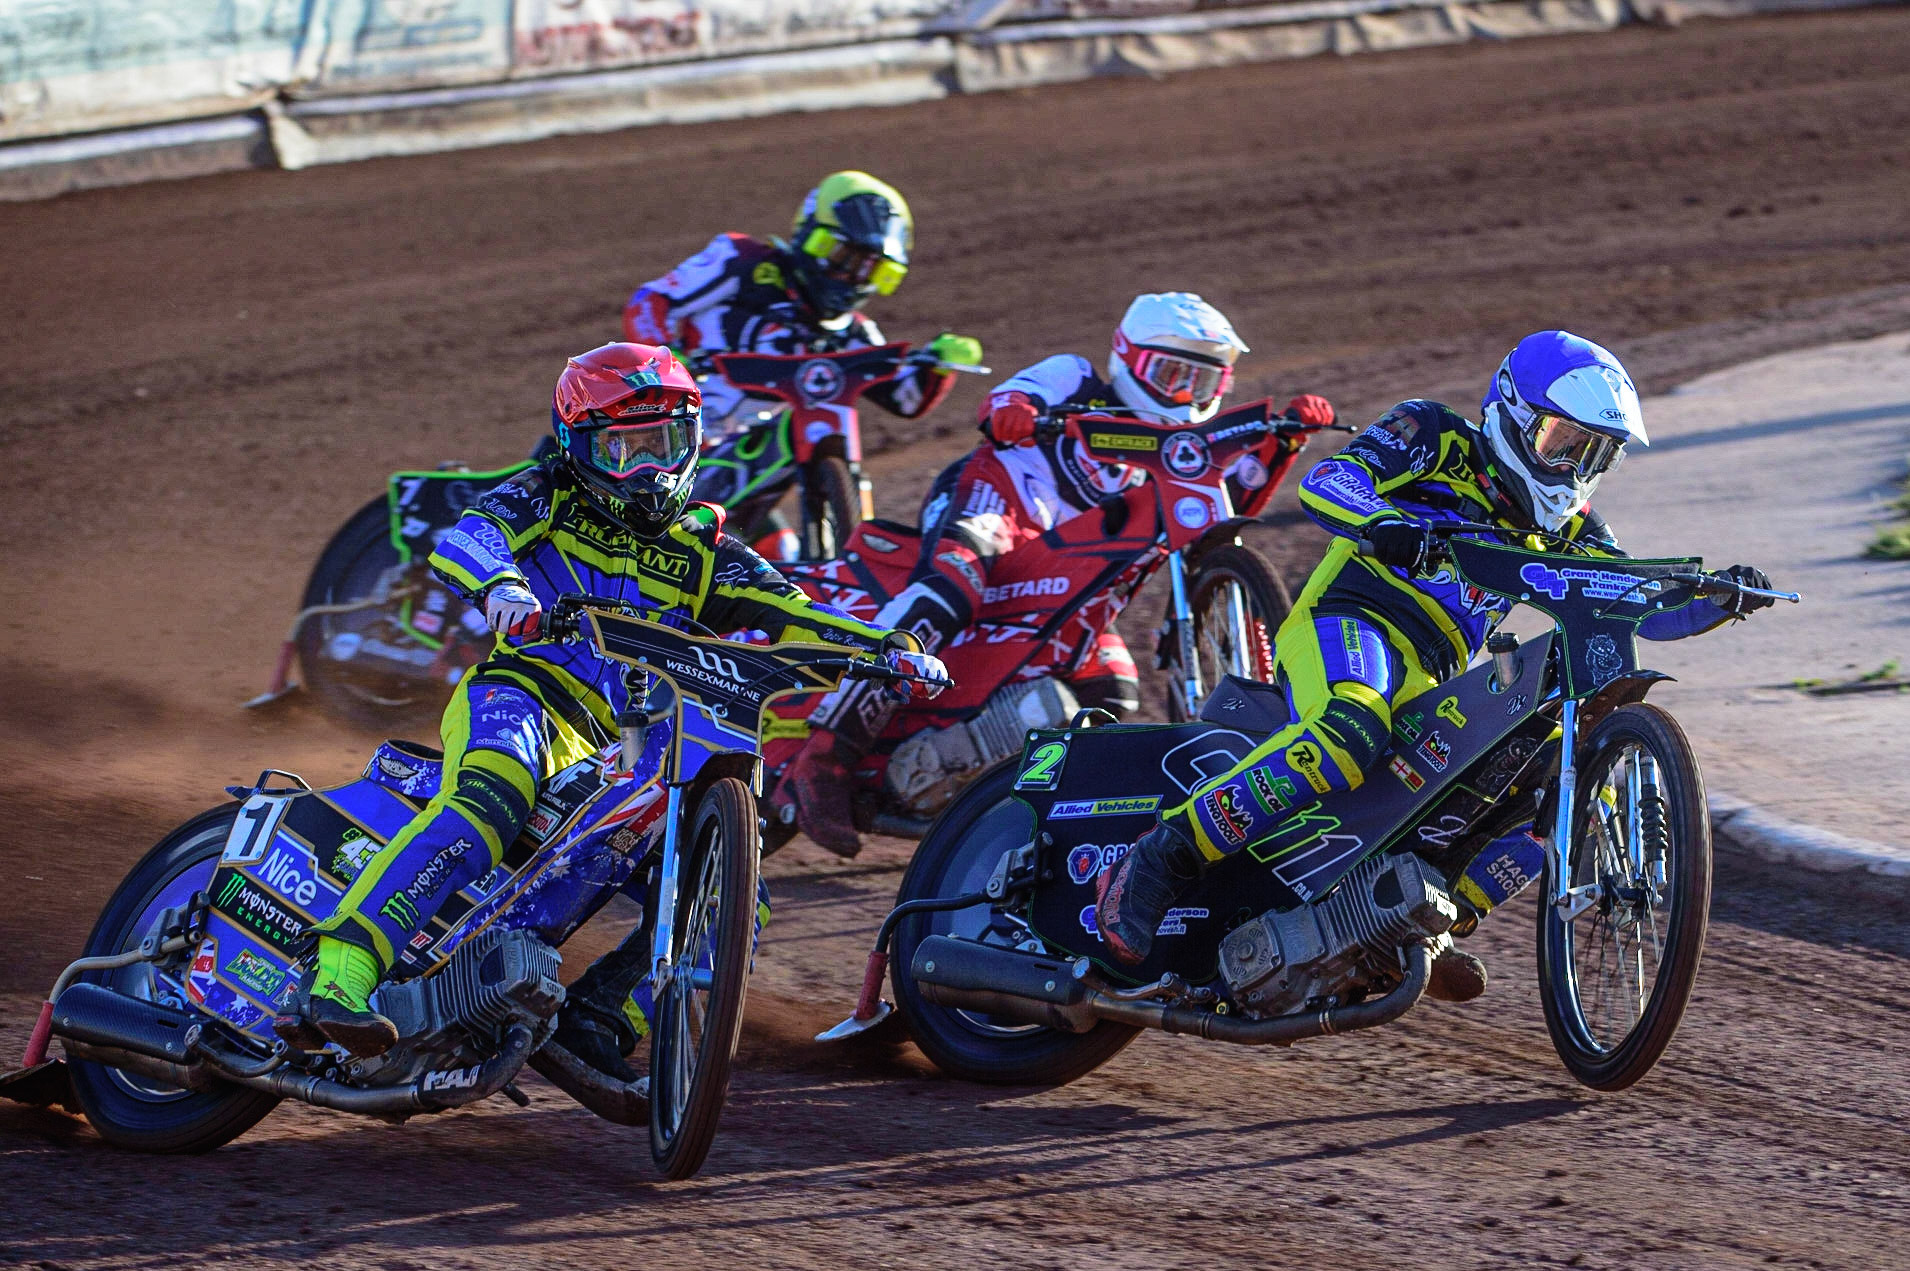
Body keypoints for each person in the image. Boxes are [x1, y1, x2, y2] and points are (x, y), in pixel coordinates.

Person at [276, 342, 946, 1073]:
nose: (651, 469)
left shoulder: (703, 545)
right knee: (491, 798)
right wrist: (504, 590)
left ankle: (598, 1019)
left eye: (665, 444)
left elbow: (798, 611)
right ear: (577, 444)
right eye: (625, 448)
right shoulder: (546, 493)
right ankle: (342, 970)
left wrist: (889, 645)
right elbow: (469, 539)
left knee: (729, 898)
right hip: (520, 695)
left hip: (616, 746)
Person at [1094, 329, 1776, 998]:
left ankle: (1423, 922)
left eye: (1592, 456)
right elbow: (1329, 481)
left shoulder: (1573, 525)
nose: (1571, 470)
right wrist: (1383, 522)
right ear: (1511, 412)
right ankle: (1161, 854)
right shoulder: (1434, 433)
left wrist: (1716, 597)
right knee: (1350, 731)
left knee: (1548, 782)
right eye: (1561, 443)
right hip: (1350, 620)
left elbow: (1638, 605)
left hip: (1432, 674)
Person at [773, 291, 1337, 858]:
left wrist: (1285, 441)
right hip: (1001, 502)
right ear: (1129, 359)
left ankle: (1012, 810)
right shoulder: (1074, 376)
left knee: (1112, 687)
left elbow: (1218, 512)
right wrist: (1013, 412)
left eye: (1205, 384)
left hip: (1065, 582)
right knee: (953, 589)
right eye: (1172, 375)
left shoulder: (1180, 450)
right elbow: (1007, 400)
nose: (1187, 396)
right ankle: (825, 758)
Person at [624, 170, 983, 557]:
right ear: (808, 232)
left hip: (746, 457)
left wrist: (940, 363)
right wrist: (667, 358)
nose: (851, 275)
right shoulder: (742, 261)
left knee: (780, 555)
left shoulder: (854, 334)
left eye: (873, 269)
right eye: (842, 255)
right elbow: (651, 300)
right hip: (668, 441)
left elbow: (905, 398)